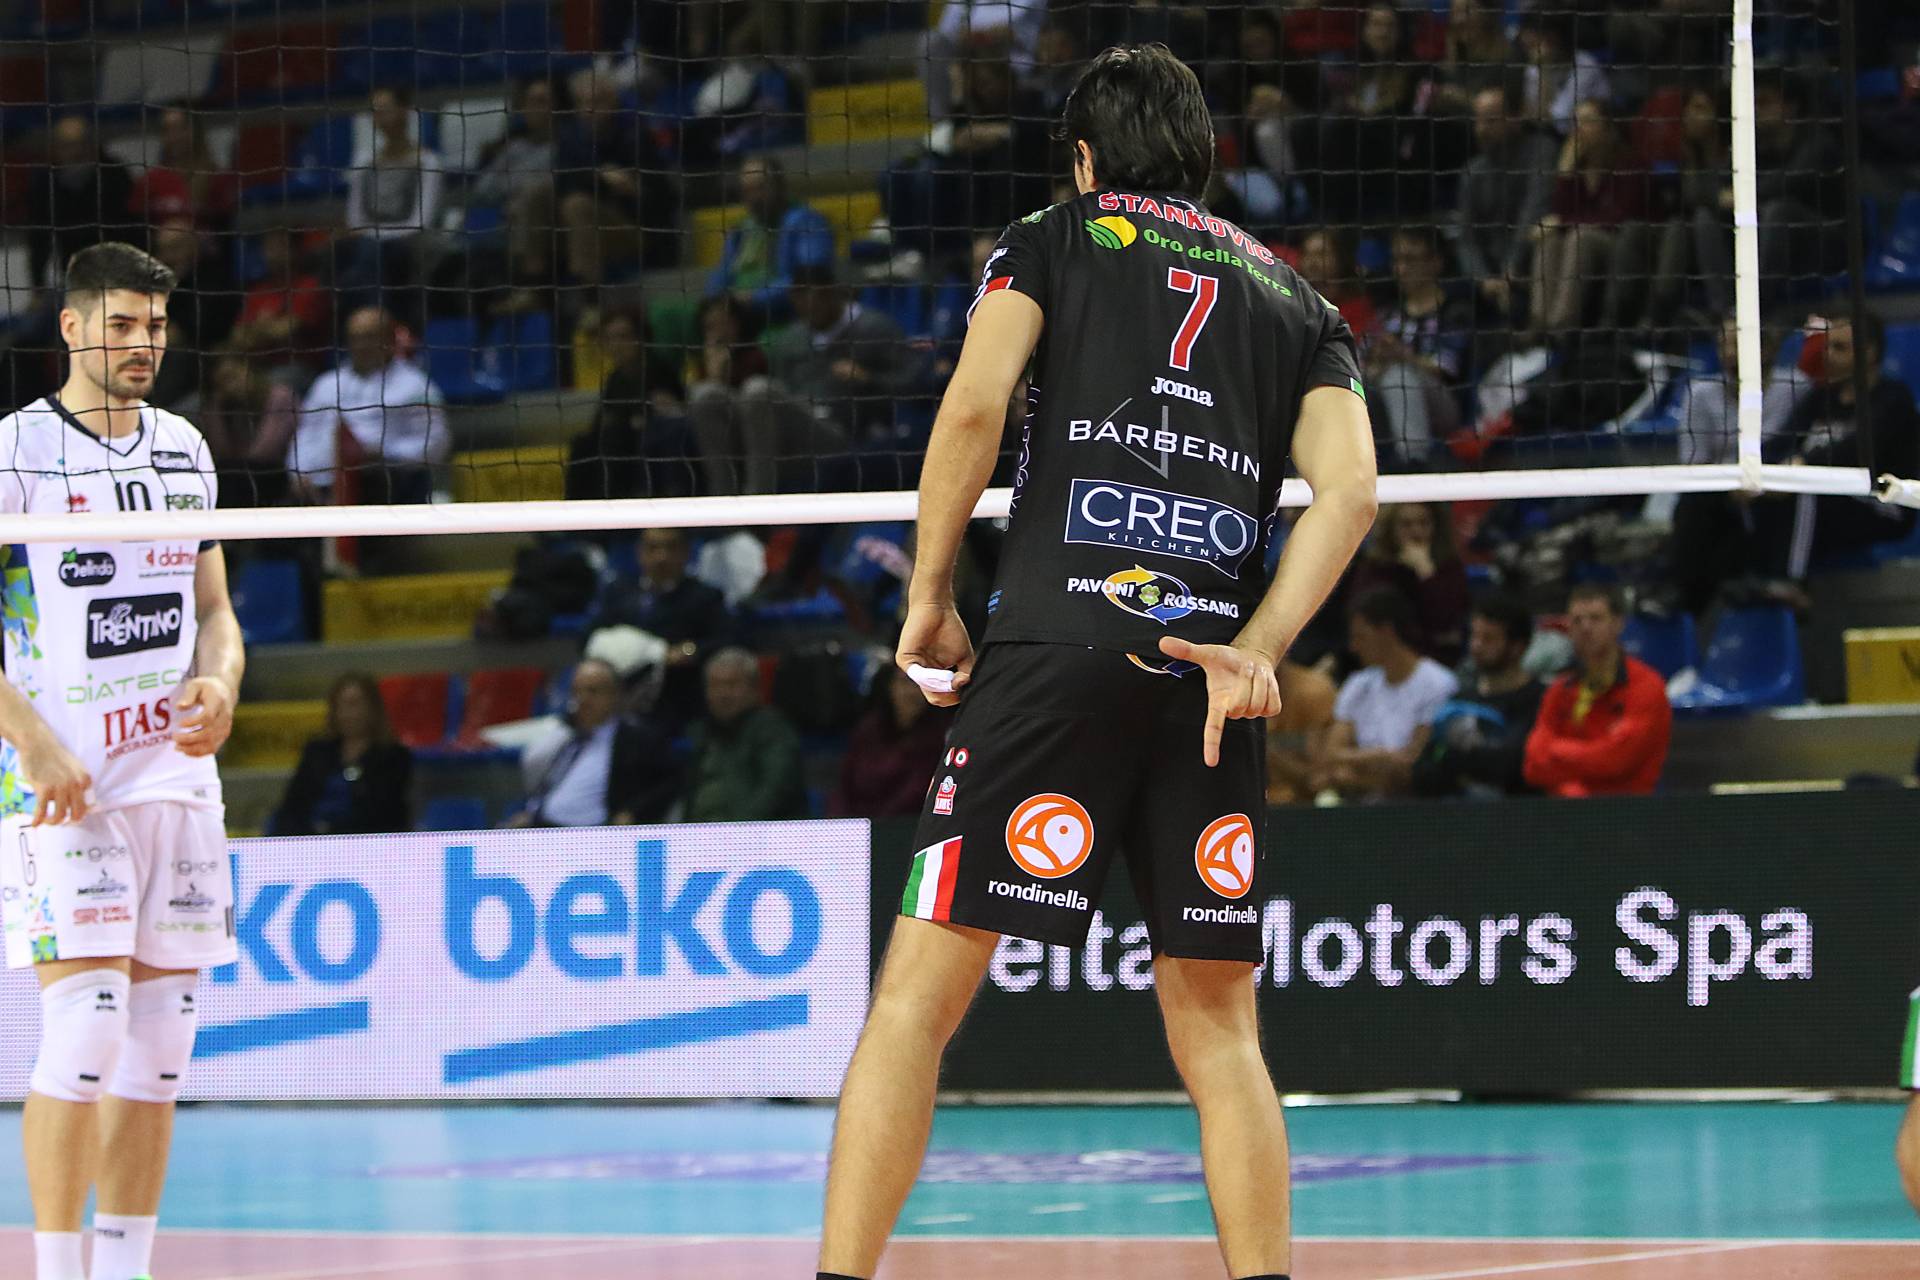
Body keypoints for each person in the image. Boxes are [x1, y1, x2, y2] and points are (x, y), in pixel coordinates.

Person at [818, 45, 1377, 1280]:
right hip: (1207, 680)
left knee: (916, 1000)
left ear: (1083, 157)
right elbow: (1351, 491)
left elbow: (975, 406)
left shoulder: (1051, 238)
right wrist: (1258, 647)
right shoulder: (1298, 300)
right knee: (1222, 1031)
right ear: (1203, 157)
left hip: (1056, 645)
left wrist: (928, 596)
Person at [0, 241, 245, 1280]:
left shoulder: (184, 448)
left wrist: (220, 682)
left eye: (156, 325)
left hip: (172, 774)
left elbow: (215, 610)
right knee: (87, 1026)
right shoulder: (15, 453)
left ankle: (125, 1266)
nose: (144, 342)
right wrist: (32, 739)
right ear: (72, 327)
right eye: (123, 324)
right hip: (60, 778)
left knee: (163, 1041)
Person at [1523, 584, 1672, 798]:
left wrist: (1557, 750)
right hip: (1566, 809)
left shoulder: (1646, 686)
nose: (1585, 628)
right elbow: (1533, 765)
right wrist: (1572, 790)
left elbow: (1615, 760)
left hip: (1629, 811)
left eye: (1595, 618)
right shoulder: (1559, 690)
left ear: (1617, 623)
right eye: (1577, 620)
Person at [290, 306, 449, 504]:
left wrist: (385, 453)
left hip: (385, 482)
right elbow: (305, 434)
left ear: (390, 339)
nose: (361, 345)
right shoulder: (327, 384)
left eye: (369, 337)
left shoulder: (416, 386)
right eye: (355, 337)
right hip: (321, 485)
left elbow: (435, 444)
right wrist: (299, 472)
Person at [1314, 587, 1459, 801]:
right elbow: (1330, 755)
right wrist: (1378, 756)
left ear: (1386, 632)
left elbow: (1411, 766)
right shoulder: (1358, 684)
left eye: (1361, 637)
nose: (1353, 647)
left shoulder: (1438, 683)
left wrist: (1351, 771)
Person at [586, 528, 733, 731]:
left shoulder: (704, 597)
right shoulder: (618, 593)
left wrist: (688, 651)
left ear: (686, 552)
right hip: (619, 693)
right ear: (640, 552)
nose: (661, 557)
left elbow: (725, 640)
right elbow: (588, 637)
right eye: (653, 548)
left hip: (675, 696)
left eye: (671, 548)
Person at [505, 658, 678, 827]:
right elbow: (543, 779)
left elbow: (670, 782)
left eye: (593, 691)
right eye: (576, 691)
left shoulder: (636, 738)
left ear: (615, 694)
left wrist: (632, 812)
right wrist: (532, 813)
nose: (582, 699)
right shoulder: (568, 735)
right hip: (542, 825)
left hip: (593, 835)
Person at [1411, 592, 1545, 798]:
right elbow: (1426, 768)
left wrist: (1453, 759)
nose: (1476, 646)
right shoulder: (1460, 699)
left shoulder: (1540, 699)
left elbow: (1516, 764)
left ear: (1517, 647)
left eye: (1488, 638)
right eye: (1475, 636)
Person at [1446, 85, 1557, 326]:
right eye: (1478, 121)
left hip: (1531, 267)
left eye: (1491, 121)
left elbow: (1534, 212)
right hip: (1489, 277)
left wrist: (1511, 268)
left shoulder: (1541, 151)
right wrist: (1483, 279)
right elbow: (1467, 238)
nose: (1482, 130)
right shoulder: (1473, 171)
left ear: (1515, 119)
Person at [1364, 228, 1473, 470]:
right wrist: (1375, 361)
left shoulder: (1454, 311)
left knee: (1400, 376)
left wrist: (1401, 356)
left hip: (1442, 404)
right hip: (1384, 401)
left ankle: (1414, 463)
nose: (1402, 269)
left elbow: (1444, 368)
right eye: (1397, 260)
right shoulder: (1388, 314)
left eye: (1410, 259)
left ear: (1435, 262)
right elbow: (1362, 361)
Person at [337, 84, 445, 317]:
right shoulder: (365, 163)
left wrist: (377, 236)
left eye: (386, 109)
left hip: (410, 242)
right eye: (375, 111)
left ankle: (377, 319)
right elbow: (355, 219)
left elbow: (421, 220)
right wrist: (372, 237)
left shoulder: (428, 161)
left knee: (373, 252)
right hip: (371, 244)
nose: (380, 116)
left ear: (405, 111)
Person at [271, 673, 413, 835]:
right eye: (341, 706)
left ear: (373, 708)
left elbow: (387, 814)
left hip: (367, 842)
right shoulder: (317, 752)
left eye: (354, 704)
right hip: (311, 841)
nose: (347, 713)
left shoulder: (394, 757)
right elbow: (293, 806)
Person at [682, 648, 807, 822]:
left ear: (755, 689)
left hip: (755, 833)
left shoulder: (772, 729)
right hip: (698, 834)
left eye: (732, 685)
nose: (723, 694)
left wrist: (738, 831)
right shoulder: (700, 732)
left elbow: (776, 790)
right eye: (715, 685)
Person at [706, 155, 834, 323]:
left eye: (760, 188)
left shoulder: (806, 222)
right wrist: (714, 302)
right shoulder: (741, 230)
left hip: (783, 316)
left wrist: (754, 298)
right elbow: (721, 274)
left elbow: (810, 277)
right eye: (747, 191)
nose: (754, 197)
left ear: (779, 187)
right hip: (737, 316)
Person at [1351, 501, 1470, 665]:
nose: (1416, 532)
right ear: (1391, 529)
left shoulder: (1448, 565)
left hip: (1437, 657)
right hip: (1383, 658)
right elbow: (1365, 617)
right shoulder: (1375, 567)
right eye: (1406, 524)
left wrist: (1426, 572)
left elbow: (1446, 621)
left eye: (1424, 523)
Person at [829, 666, 952, 819]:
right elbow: (844, 784)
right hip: (857, 823)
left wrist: (879, 824)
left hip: (903, 823)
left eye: (918, 685)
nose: (911, 692)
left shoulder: (937, 736)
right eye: (904, 682)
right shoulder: (868, 729)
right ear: (890, 686)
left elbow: (916, 792)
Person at [226, 226, 331, 373]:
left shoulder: (309, 286)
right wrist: (269, 326)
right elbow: (237, 336)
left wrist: (257, 328)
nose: (272, 253)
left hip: (296, 366)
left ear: (294, 250)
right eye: (268, 247)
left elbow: (286, 331)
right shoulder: (258, 290)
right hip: (257, 366)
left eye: (279, 246)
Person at [129, 107, 237, 231]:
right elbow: (136, 225)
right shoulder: (149, 181)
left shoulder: (216, 177)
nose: (173, 136)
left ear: (195, 132)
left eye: (180, 128)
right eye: (166, 130)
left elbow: (226, 225)